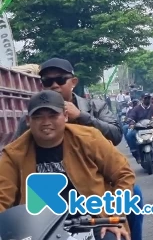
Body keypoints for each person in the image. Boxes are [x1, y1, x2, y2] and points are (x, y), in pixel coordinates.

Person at [0, 90, 135, 240]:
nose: (46, 122)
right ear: (27, 120)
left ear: (65, 116)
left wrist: (114, 216)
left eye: (53, 115)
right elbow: (2, 198)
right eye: (38, 117)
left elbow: (123, 175)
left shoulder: (90, 138)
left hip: (94, 221)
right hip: (40, 230)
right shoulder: (13, 153)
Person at [12, 58, 122, 145]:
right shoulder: (33, 116)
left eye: (61, 80)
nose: (54, 85)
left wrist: (81, 116)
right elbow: (15, 150)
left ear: (73, 82)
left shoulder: (96, 106)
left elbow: (116, 136)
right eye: (47, 81)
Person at [125, 93, 153, 162]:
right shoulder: (136, 109)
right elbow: (131, 117)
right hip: (139, 129)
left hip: (152, 128)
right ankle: (136, 153)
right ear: (142, 99)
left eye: (149, 98)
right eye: (145, 98)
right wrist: (131, 123)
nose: (147, 99)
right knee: (129, 135)